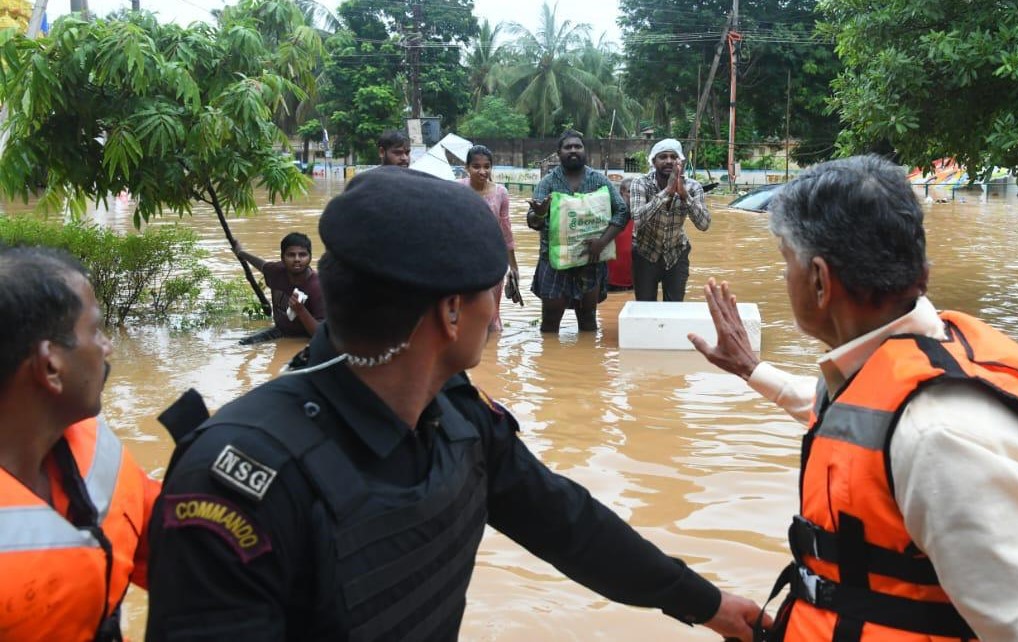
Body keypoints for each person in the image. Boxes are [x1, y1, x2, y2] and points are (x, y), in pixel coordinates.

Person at [145, 167, 766, 641]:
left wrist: (706, 604)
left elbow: (566, 523)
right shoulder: (236, 478)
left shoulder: (456, 416)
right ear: (450, 312)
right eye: (490, 295)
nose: (497, 316)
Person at [687, 155, 1018, 641]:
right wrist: (753, 369)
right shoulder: (892, 365)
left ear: (819, 280)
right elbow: (855, 426)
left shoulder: (943, 435)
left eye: (784, 259)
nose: (783, 277)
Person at [0, 246, 159, 641]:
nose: (107, 348)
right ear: (50, 365)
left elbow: (192, 554)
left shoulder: (99, 457)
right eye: (95, 331)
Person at [526, 130, 628, 333]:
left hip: (591, 260)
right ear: (559, 153)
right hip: (554, 262)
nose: (573, 150)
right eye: (568, 147)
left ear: (584, 151)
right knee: (550, 323)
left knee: (589, 321)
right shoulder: (548, 183)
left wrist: (602, 242)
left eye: (577, 146)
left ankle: (588, 362)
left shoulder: (599, 181)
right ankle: (550, 364)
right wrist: (539, 214)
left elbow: (623, 211)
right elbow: (532, 221)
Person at [628, 139, 711, 302]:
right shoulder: (641, 183)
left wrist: (684, 195)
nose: (668, 161)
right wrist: (667, 191)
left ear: (680, 162)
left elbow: (704, 224)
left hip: (676, 253)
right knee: (645, 307)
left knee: (674, 309)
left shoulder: (693, 187)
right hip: (645, 252)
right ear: (653, 161)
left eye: (673, 157)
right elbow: (637, 219)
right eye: (663, 157)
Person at [457, 144, 522, 334]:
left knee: (491, 316)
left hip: (492, 262)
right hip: (463, 262)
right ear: (467, 167)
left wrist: (514, 266)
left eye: (487, 166)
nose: (482, 171)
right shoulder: (457, 189)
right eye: (476, 166)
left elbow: (506, 231)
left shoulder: (500, 192)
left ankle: (492, 356)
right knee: (464, 313)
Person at [232, 232, 326, 345]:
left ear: (310, 257)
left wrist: (301, 310)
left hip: (306, 339)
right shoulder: (277, 271)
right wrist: (240, 252)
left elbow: (322, 335)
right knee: (242, 344)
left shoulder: (318, 287)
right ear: (282, 257)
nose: (297, 259)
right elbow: (262, 265)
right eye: (291, 255)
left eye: (302, 255)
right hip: (280, 331)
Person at [607, 177, 636, 292]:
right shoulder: (610, 214)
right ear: (621, 193)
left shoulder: (642, 215)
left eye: (637, 192)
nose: (634, 195)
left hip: (633, 283)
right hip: (609, 282)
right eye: (630, 192)